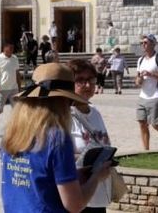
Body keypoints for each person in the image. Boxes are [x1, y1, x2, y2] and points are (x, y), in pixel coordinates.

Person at [0, 63, 107, 213]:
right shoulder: (57, 138)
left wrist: (77, 174)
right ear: (63, 101)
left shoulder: (11, 134)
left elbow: (37, 177)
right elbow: (74, 205)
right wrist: (96, 176)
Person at [68, 60, 114, 212]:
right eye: (81, 80)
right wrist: (90, 160)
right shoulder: (65, 116)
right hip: (78, 195)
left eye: (91, 80)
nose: (88, 85)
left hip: (99, 194)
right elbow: (58, 156)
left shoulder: (95, 112)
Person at [0, 42, 21, 137]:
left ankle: (17, 129)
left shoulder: (15, 58)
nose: (11, 51)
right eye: (10, 49)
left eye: (12, 49)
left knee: (17, 109)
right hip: (2, 88)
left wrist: (19, 87)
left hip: (13, 88)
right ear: (4, 49)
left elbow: (17, 73)